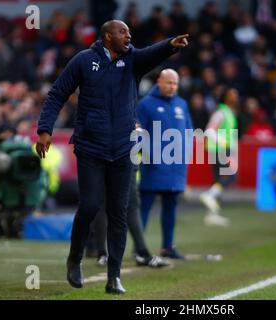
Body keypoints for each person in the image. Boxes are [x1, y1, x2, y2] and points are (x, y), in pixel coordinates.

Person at [35, 20, 189, 294]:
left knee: (119, 213)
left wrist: (169, 46)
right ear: (107, 37)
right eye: (123, 32)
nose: (129, 36)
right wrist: (45, 129)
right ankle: (75, 257)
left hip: (123, 149)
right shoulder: (84, 61)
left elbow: (150, 53)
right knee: (91, 206)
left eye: (129, 32)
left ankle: (114, 276)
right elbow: (58, 93)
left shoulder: (132, 61)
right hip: (91, 147)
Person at [136, 69, 193, 260]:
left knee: (171, 208)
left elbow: (188, 132)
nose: (172, 87)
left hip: (175, 167)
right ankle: (139, 248)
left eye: (175, 83)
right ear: (159, 82)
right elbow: (138, 133)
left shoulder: (181, 104)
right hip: (153, 166)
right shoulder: (145, 104)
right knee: (145, 207)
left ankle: (168, 247)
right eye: (168, 83)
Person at [88, 167, 170, 268]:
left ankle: (102, 254)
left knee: (102, 203)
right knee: (131, 204)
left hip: (100, 157)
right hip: (122, 156)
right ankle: (142, 253)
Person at [199, 88, 239, 226]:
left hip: (219, 149)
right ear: (225, 97)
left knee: (218, 180)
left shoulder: (228, 112)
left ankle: (212, 214)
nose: (235, 96)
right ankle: (209, 195)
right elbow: (209, 130)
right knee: (231, 175)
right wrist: (222, 143)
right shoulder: (221, 112)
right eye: (232, 93)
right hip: (219, 149)